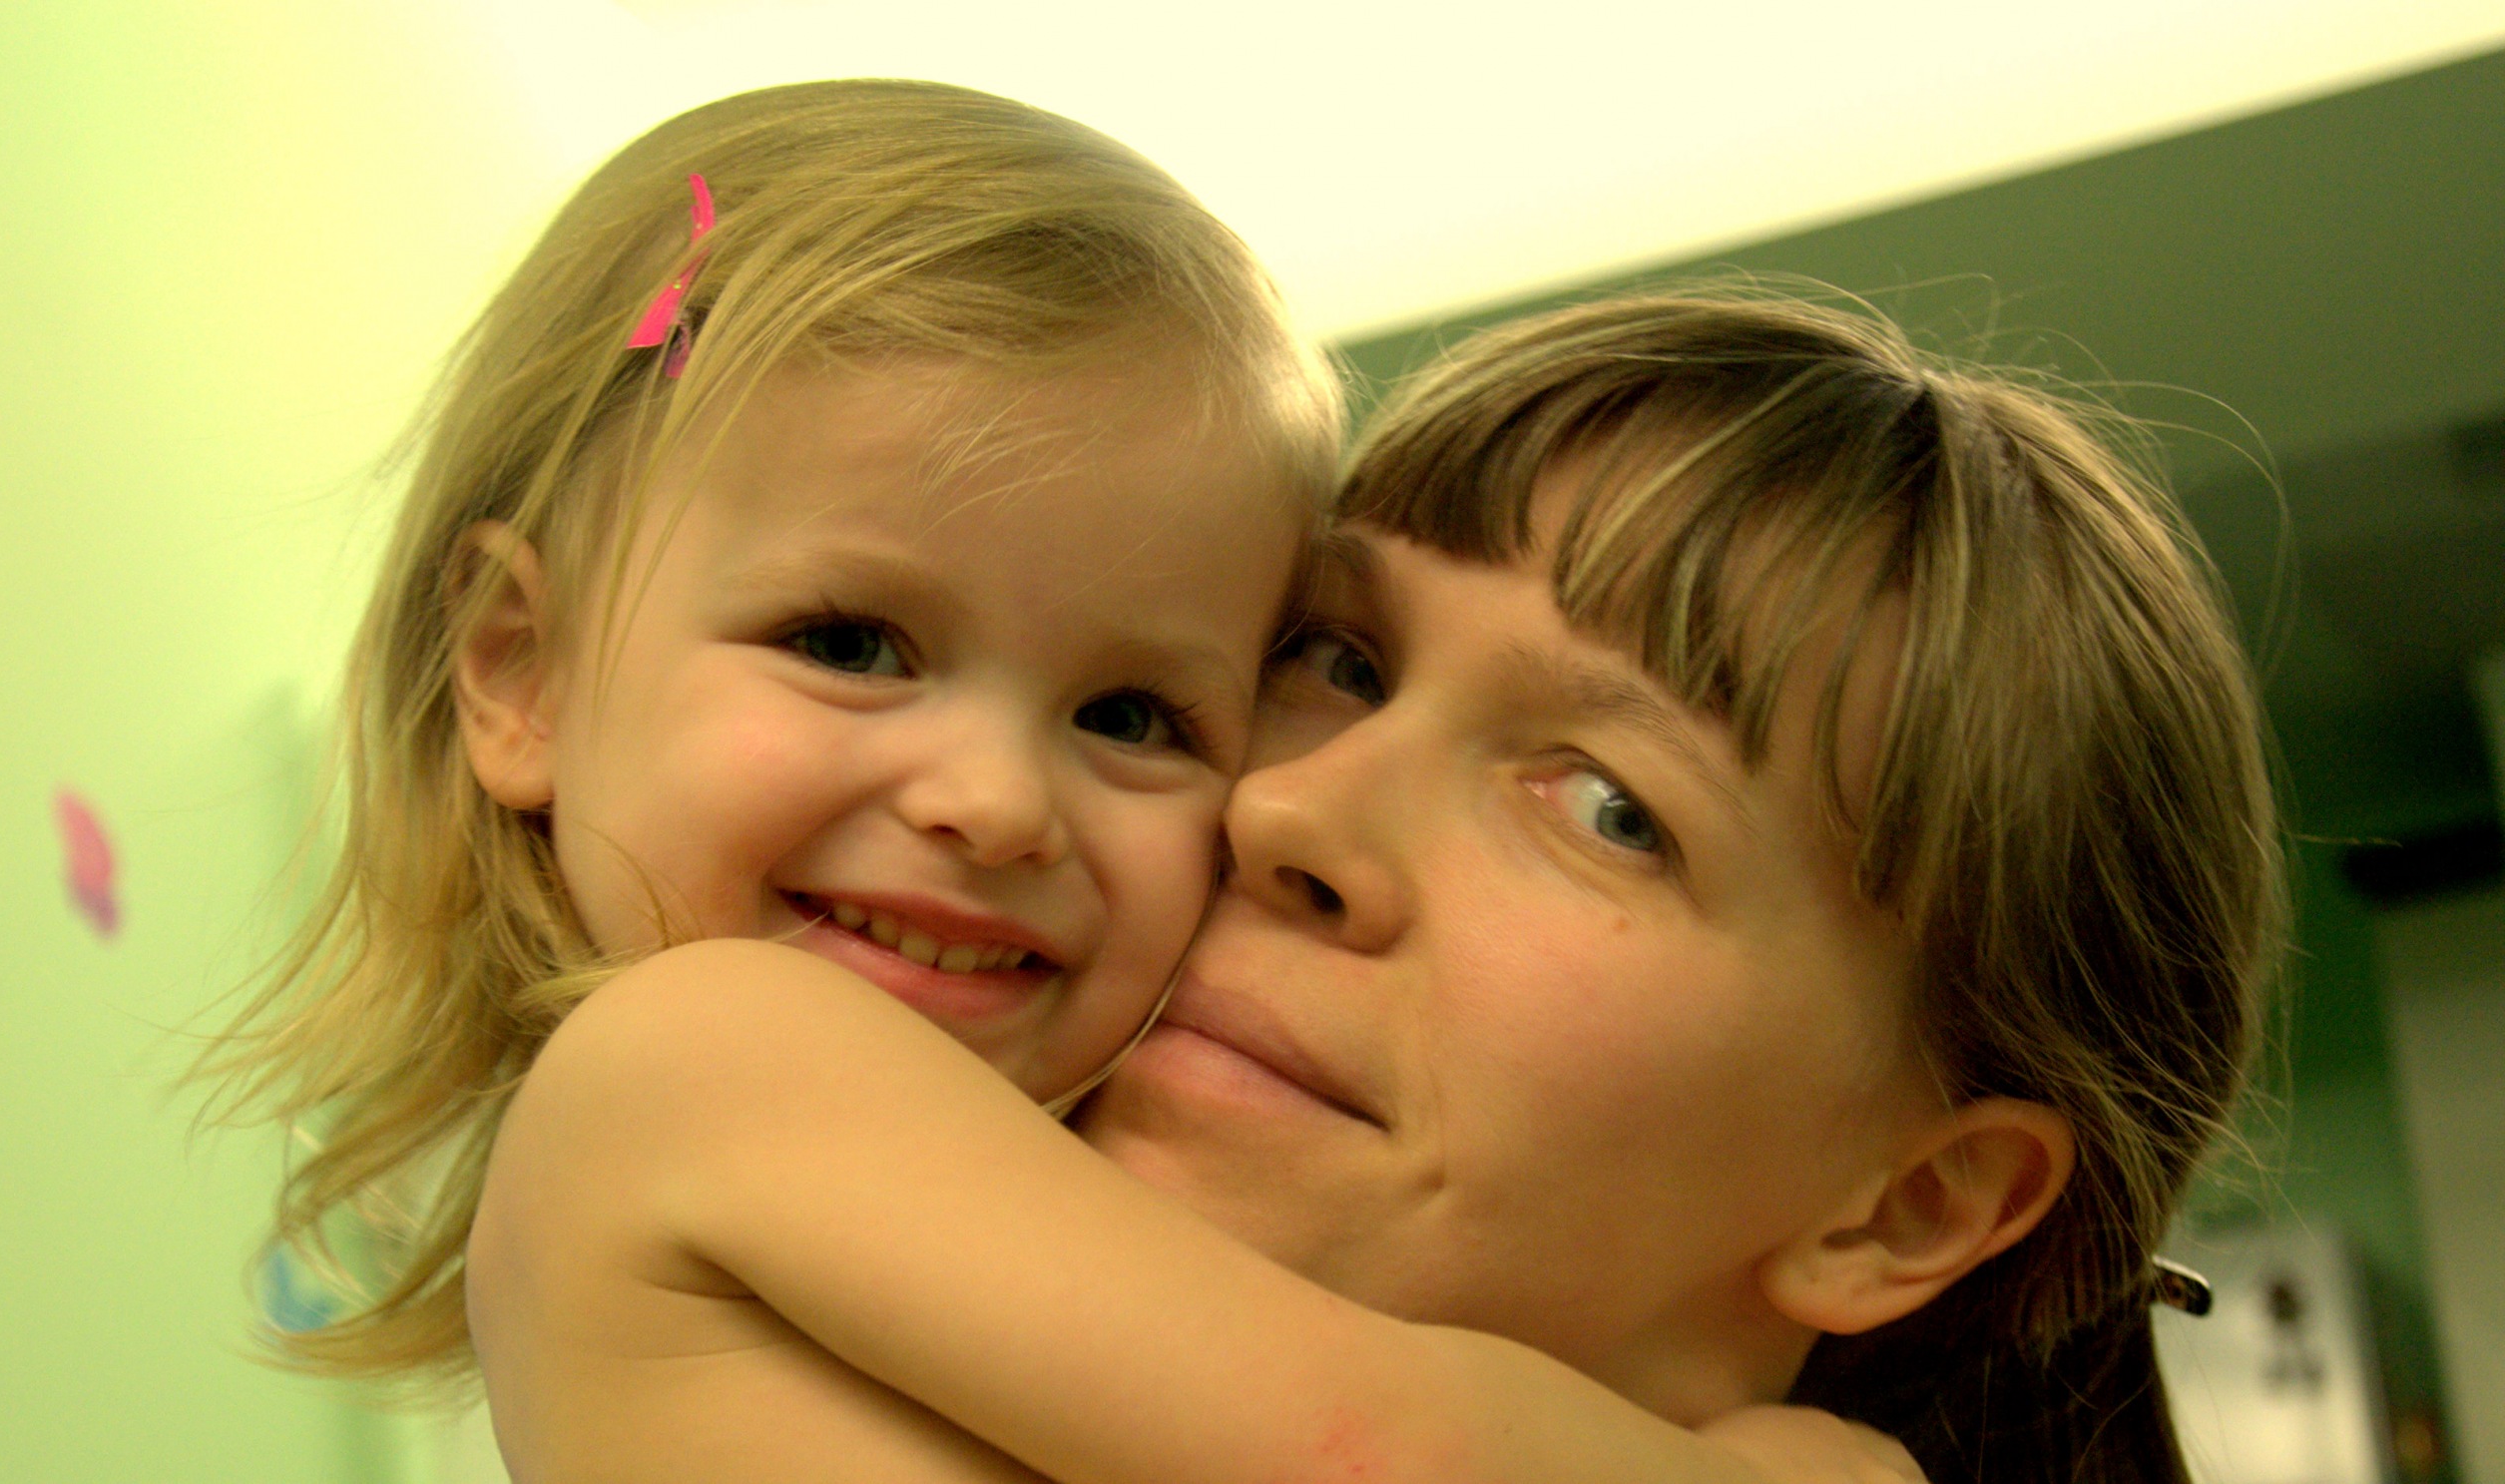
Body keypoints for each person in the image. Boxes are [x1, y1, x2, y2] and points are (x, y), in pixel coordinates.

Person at [196, 79, 1923, 1482]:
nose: (998, 801)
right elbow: (1365, 1450)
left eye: (1133, 717)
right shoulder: (699, 1056)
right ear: (522, 671)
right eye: (853, 643)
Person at [456, 290, 2277, 1483]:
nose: (1285, 810)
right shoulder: (704, 1086)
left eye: (1610, 808)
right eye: (1334, 659)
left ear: (1911, 1208)